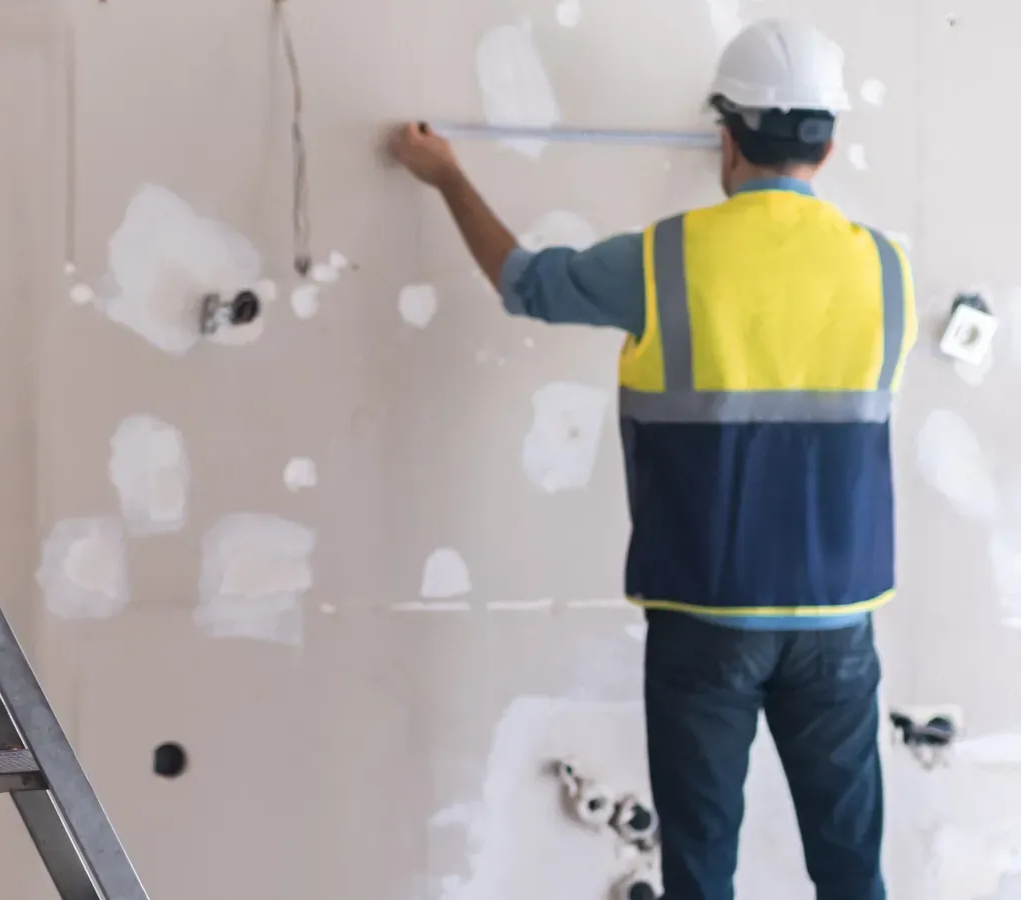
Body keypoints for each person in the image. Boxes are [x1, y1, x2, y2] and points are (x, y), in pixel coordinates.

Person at [387, 18, 915, 900]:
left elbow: (525, 281)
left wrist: (445, 175)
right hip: (839, 623)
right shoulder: (887, 270)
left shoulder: (668, 258)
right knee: (852, 870)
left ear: (728, 134)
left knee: (700, 870)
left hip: (704, 616)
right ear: (828, 142)